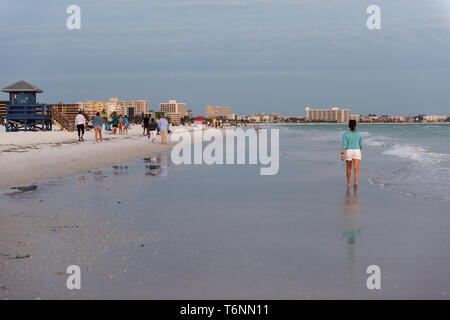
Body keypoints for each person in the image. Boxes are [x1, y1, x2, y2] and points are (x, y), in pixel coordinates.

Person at [341, 120, 363, 187]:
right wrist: (359, 152)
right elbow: (361, 145)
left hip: (349, 151)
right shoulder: (359, 134)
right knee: (356, 168)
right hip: (357, 151)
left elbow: (344, 145)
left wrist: (342, 153)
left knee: (348, 167)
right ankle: (355, 182)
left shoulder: (345, 134)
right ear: (355, 125)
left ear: (349, 125)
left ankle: (348, 182)